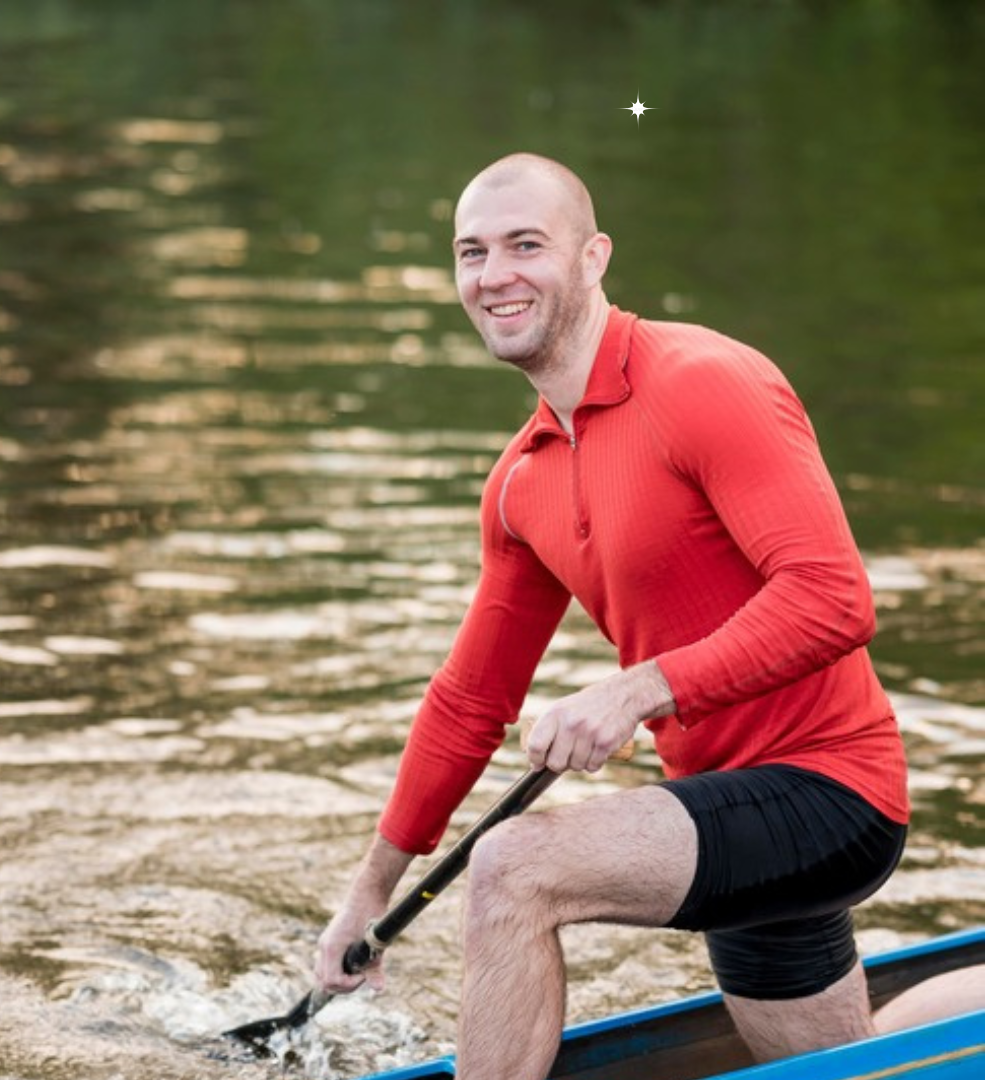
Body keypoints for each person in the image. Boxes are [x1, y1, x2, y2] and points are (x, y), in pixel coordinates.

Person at [312, 152, 955, 1078]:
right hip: (726, 815)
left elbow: (834, 599)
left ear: (593, 257)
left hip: (832, 796)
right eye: (471, 252)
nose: (495, 275)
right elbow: (466, 703)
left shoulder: (704, 383)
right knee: (846, 1066)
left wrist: (636, 693)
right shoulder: (520, 484)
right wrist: (367, 895)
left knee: (512, 869)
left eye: (525, 245)